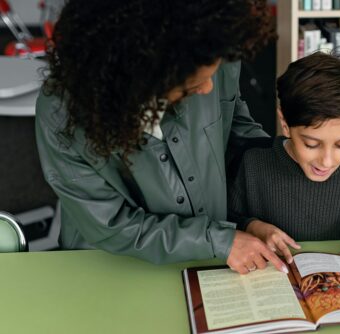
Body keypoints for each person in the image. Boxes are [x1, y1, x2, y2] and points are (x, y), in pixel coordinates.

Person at [35, 0, 287, 275]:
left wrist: (289, 165)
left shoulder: (212, 45)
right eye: (192, 85)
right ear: (144, 76)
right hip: (110, 267)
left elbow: (236, 127)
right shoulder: (63, 117)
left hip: (217, 259)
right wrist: (217, 240)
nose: (208, 88)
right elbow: (112, 225)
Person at [228, 52, 340, 268]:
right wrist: (252, 227)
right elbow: (225, 222)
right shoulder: (250, 161)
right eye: (311, 144)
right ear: (285, 122)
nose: (326, 161)